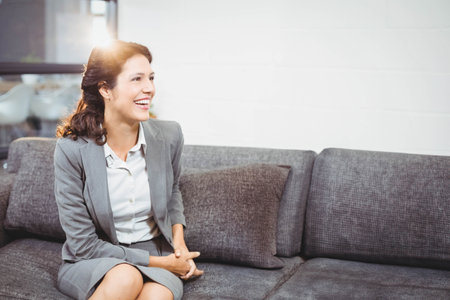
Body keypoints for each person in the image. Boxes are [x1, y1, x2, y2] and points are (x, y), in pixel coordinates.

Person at [54, 40, 203, 300]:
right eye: (136, 79)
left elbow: (172, 192)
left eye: (151, 78)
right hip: (95, 256)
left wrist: (178, 246)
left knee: (157, 296)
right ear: (105, 89)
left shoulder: (169, 136)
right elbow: (83, 244)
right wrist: (163, 264)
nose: (150, 88)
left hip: (157, 250)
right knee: (126, 277)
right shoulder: (72, 150)